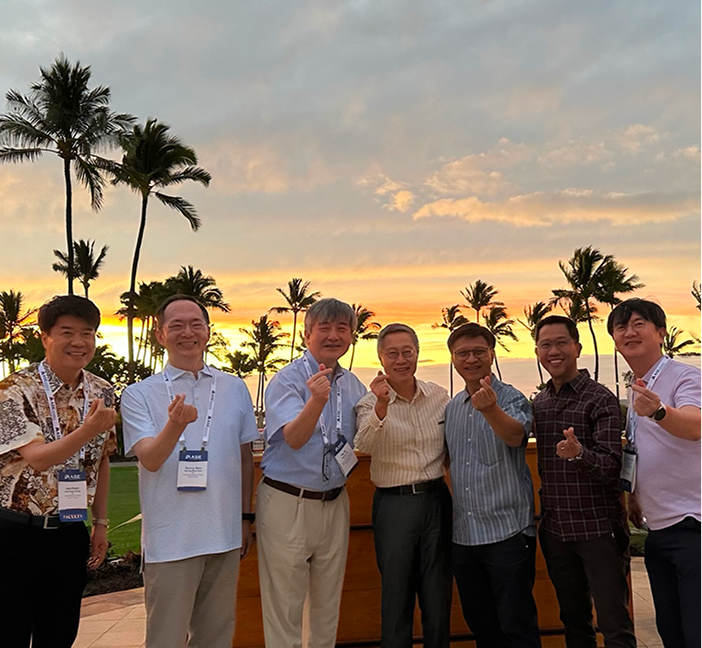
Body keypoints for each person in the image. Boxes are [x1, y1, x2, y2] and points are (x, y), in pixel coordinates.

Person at [121, 295, 258, 648]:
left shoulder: (234, 387)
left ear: (208, 332)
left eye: (196, 324)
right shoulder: (138, 394)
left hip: (224, 536)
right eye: (177, 325)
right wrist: (175, 426)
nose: (188, 333)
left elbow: (245, 457)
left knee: (216, 639)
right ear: (160, 335)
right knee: (165, 639)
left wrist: (245, 518)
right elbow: (150, 459)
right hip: (171, 542)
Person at [0, 295, 116, 648]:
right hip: (14, 533)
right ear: (45, 337)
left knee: (60, 634)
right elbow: (37, 458)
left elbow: (102, 459)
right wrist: (88, 429)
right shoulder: (14, 389)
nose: (79, 342)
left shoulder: (102, 391)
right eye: (67, 332)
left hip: (68, 533)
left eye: (87, 333)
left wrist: (100, 523)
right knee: (9, 634)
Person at [257, 297, 366, 648]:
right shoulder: (287, 381)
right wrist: (316, 400)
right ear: (307, 335)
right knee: (285, 606)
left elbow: (365, 438)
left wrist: (380, 406)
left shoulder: (354, 385)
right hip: (288, 501)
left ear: (351, 336)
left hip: (334, 502)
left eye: (342, 328)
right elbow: (293, 438)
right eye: (324, 328)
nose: (333, 336)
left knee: (327, 605)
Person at [532, 315, 636, 648]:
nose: (554, 351)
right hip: (556, 532)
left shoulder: (599, 398)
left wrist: (579, 454)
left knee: (614, 624)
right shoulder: (540, 402)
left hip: (598, 531)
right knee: (574, 623)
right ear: (537, 352)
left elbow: (612, 466)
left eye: (561, 343)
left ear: (576, 348)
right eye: (546, 345)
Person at [607, 298, 700, 648]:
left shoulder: (684, 376)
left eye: (639, 324)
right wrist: (634, 497)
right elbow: (641, 449)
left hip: (693, 524)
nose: (629, 332)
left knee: (697, 633)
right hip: (658, 529)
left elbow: (695, 425)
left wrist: (660, 412)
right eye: (621, 327)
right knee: (672, 632)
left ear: (661, 332)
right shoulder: (640, 386)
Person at [355, 323, 452, 648]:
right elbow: (363, 444)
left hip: (437, 499)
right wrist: (382, 407)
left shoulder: (438, 396)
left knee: (438, 595)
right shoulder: (368, 403)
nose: (401, 360)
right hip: (394, 505)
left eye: (407, 352)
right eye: (392, 354)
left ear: (417, 354)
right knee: (396, 596)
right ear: (381, 359)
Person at [444, 323, 541, 648]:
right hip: (465, 536)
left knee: (517, 626)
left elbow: (515, 436)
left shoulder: (511, 397)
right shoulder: (452, 408)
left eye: (478, 352)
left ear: (491, 355)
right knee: (482, 626)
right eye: (463, 354)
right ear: (453, 359)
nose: (471, 359)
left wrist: (490, 409)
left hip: (508, 534)